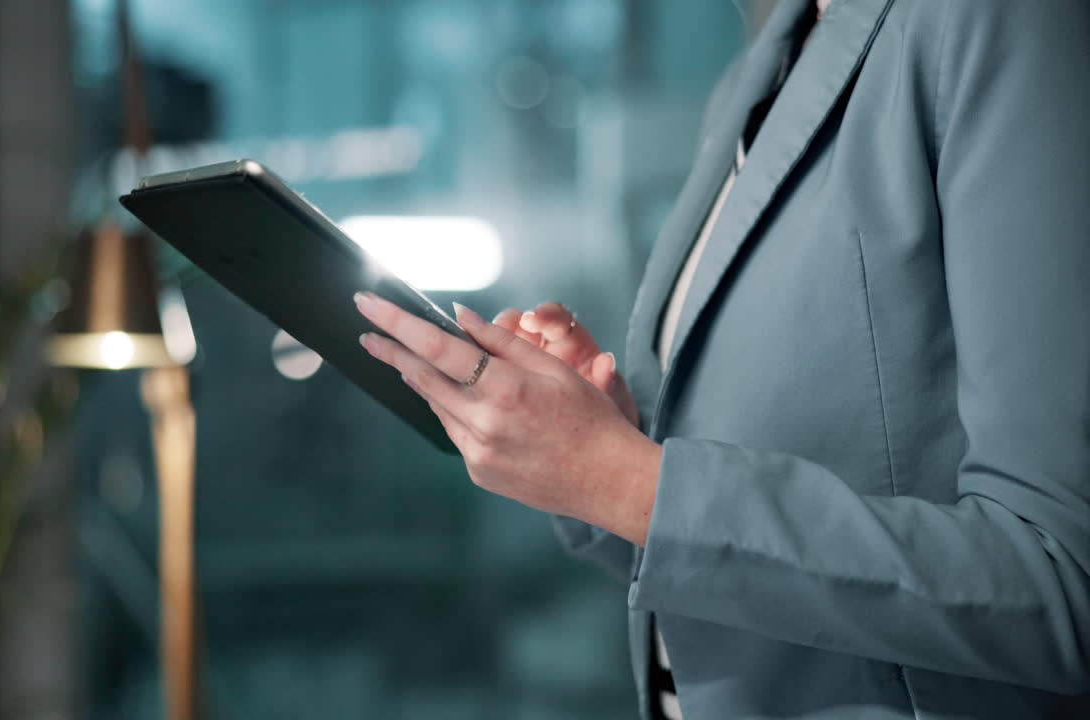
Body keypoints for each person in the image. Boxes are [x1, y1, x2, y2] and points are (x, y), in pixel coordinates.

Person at [354, 0, 1090, 717]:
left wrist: (628, 481)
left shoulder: (1002, 18)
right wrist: (605, 441)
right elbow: (717, 548)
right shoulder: (762, 73)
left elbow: (1062, 582)